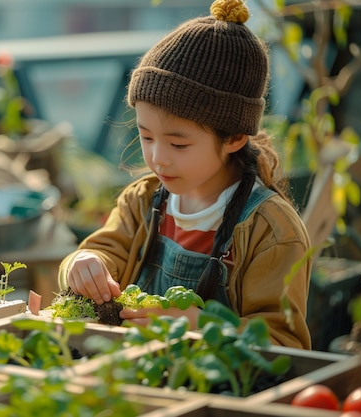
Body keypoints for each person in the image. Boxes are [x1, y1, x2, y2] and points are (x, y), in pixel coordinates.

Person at [58, 0, 312, 349]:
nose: (158, 159)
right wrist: (83, 264)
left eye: (178, 144)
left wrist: (206, 326)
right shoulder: (142, 200)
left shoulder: (271, 232)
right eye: (146, 136)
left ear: (235, 137)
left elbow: (286, 344)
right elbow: (103, 252)